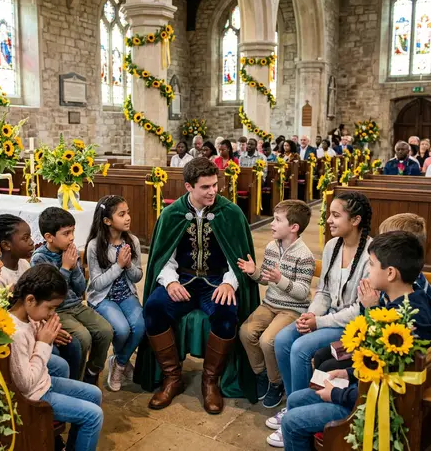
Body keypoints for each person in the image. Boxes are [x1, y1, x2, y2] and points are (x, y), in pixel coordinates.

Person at [280, 231, 431, 451]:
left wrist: (336, 393)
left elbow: (386, 389)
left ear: (390, 273)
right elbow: (375, 367)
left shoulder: (403, 323)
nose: (368, 271)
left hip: (373, 407)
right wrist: (347, 373)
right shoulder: (410, 300)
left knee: (291, 422)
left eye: (371, 264)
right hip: (364, 389)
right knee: (295, 399)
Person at [134, 157, 260, 414]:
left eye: (215, 185)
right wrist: (169, 282)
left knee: (227, 314)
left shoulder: (231, 213)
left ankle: (210, 381)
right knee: (153, 308)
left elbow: (238, 259)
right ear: (189, 187)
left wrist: (229, 283)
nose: (213, 191)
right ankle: (172, 378)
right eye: (205, 187)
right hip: (182, 280)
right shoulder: (172, 214)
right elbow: (163, 257)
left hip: (216, 282)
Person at [267, 192, 372, 447]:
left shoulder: (371, 254)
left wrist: (319, 322)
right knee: (282, 340)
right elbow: (323, 292)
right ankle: (294, 401)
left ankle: (298, 414)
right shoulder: (331, 246)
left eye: (336, 215)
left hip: (350, 325)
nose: (329, 221)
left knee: (302, 347)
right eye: (329, 215)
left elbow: (360, 309)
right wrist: (311, 314)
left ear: (356, 219)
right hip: (325, 316)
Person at [313, 212, 431, 373]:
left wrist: (371, 307)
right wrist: (366, 304)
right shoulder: (390, 284)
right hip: (373, 339)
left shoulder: (412, 299)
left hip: (386, 360)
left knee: (328, 366)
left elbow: (388, 349)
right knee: (322, 356)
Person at [9, 265, 103, 450]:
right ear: (30, 300)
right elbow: (25, 384)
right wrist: (44, 343)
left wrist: (45, 336)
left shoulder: (30, 317)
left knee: (95, 394)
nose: (52, 313)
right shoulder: (15, 333)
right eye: (50, 307)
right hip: (34, 396)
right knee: (94, 416)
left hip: (43, 383)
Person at [0, 215, 82, 381]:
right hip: (19, 334)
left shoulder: (24, 264)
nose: (32, 242)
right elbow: (10, 317)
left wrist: (47, 328)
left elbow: (36, 304)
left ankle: (73, 386)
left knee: (73, 344)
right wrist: (44, 336)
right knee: (57, 353)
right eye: (25, 238)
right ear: (6, 245)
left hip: (33, 323)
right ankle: (48, 394)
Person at [238, 201, 315, 408]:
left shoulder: (305, 256)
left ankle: (276, 382)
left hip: (292, 309)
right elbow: (265, 279)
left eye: (277, 220)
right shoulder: (272, 247)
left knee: (268, 340)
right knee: (246, 331)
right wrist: (254, 271)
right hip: (270, 303)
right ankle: (262, 373)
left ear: (294, 227)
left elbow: (301, 293)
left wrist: (281, 279)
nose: (271, 224)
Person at [31, 207, 113, 384]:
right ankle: (75, 380)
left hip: (75, 305)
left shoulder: (69, 252)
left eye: (73, 232)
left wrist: (75, 267)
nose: (72, 237)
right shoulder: (39, 259)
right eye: (66, 233)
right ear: (49, 237)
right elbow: (51, 293)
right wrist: (66, 268)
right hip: (55, 310)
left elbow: (80, 288)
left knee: (105, 331)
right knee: (83, 337)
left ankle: (92, 371)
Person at [85, 195, 145, 392]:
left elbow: (137, 277)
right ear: (107, 221)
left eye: (127, 212)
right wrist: (118, 266)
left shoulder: (132, 241)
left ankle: (118, 363)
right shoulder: (95, 246)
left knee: (140, 325)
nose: (128, 217)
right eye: (122, 214)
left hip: (126, 294)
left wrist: (128, 266)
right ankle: (123, 361)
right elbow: (97, 284)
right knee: (122, 329)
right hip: (103, 298)